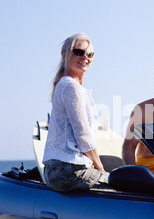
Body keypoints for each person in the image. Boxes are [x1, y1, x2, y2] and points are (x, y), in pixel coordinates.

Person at [42, 33, 109, 192]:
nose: (85, 57)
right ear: (64, 54)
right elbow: (83, 136)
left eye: (89, 54)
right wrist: (100, 168)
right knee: (125, 184)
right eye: (78, 52)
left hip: (58, 170)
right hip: (68, 171)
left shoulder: (65, 85)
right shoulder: (70, 86)